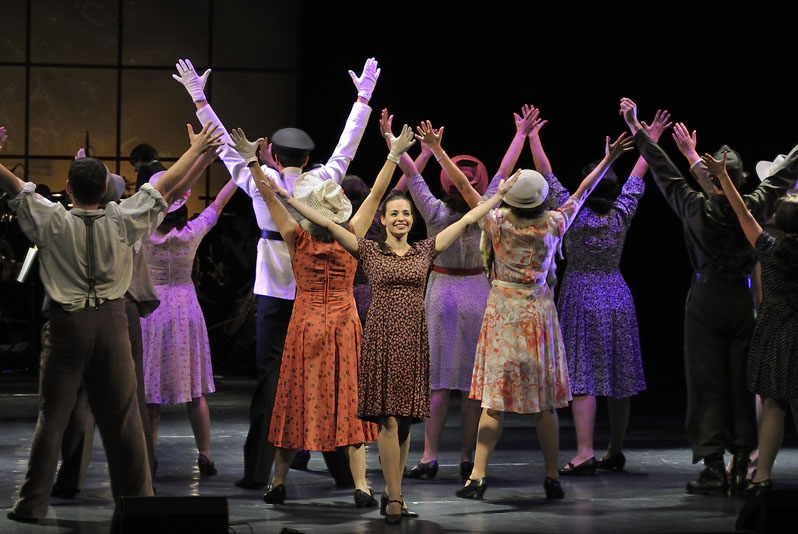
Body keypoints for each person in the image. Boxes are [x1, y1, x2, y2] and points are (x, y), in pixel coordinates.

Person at [260, 151, 519, 523]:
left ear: (413, 220)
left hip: (413, 343)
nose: (401, 218)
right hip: (380, 340)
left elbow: (467, 219)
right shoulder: (366, 249)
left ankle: (390, 491)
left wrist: (497, 197)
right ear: (382, 220)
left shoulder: (425, 250)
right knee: (387, 421)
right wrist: (286, 197)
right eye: (394, 213)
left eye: (406, 214)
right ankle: (393, 496)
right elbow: (327, 223)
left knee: (406, 421)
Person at [173, 57, 378, 489]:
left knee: (272, 381)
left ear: (272, 152)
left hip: (274, 296)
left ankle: (257, 474)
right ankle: (344, 473)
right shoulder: (323, 181)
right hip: (319, 298)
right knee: (328, 380)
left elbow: (225, 147)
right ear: (308, 157)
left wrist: (199, 98)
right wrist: (363, 99)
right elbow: (348, 146)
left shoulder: (260, 178)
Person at [3, 122, 222, 523]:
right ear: (105, 189)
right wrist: (196, 151)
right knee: (124, 419)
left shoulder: (52, 219)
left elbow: (16, 187)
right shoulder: (122, 220)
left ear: (68, 188)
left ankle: (31, 505)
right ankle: (139, 502)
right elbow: (164, 187)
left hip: (67, 327)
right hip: (112, 324)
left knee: (53, 418)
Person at [228, 123, 415, 507]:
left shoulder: (297, 236)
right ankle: (361, 485)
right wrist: (394, 155)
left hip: (306, 325)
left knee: (295, 398)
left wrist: (252, 161)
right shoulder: (353, 233)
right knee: (349, 402)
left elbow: (270, 198)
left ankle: (277, 482)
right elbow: (377, 194)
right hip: (344, 326)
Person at [619, 97, 798, 496]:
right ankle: (741, 460)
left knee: (705, 383)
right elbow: (786, 172)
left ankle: (714, 466)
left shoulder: (694, 206)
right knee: (742, 383)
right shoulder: (754, 205)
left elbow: (662, 168)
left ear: (712, 177)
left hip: (705, 300)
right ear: (740, 179)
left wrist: (637, 129)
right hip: (742, 301)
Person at [455, 131, 635, 501]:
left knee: (493, 403)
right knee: (545, 405)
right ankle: (552, 478)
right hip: (537, 316)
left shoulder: (497, 223)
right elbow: (583, 190)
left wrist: (438, 151)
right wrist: (610, 159)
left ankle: (477, 477)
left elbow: (464, 187)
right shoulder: (553, 223)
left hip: (504, 315)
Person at [386, 107, 539, 480]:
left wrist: (393, 143)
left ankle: (429, 457)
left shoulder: (434, 211)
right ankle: (468, 457)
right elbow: (504, 170)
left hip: (440, 295)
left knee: (438, 384)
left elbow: (412, 175)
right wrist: (521, 134)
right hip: (477, 294)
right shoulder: (486, 208)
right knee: (473, 387)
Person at [523, 109, 671, 476]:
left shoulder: (570, 212)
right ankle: (615, 449)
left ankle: (585, 451)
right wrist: (650, 139)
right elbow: (638, 174)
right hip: (617, 294)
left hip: (581, 293)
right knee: (620, 377)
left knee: (583, 374)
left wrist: (532, 137)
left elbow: (547, 175)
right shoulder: (621, 211)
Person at [700, 151, 798, 497]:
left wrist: (723, 178)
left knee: (773, 405)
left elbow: (742, 212)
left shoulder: (769, 249)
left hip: (775, 334)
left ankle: (762, 477)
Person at [140, 155, 238, 476]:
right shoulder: (193, 231)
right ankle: (205, 454)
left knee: (150, 394)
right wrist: (240, 172)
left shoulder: (142, 234)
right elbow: (219, 204)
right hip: (185, 310)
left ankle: (147, 457)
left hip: (152, 310)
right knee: (194, 391)